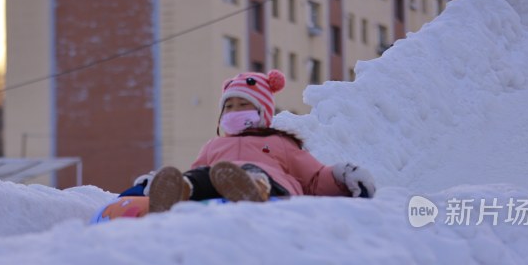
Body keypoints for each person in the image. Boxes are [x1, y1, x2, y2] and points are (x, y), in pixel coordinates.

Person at [130, 69, 376, 212]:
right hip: (219, 180)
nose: (235, 111)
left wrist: (342, 175)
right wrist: (162, 182)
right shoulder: (214, 146)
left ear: (262, 112)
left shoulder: (279, 142)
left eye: (243, 105)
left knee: (252, 170)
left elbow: (313, 178)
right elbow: (198, 169)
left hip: (274, 188)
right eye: (229, 107)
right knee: (203, 174)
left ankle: (255, 187)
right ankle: (180, 190)